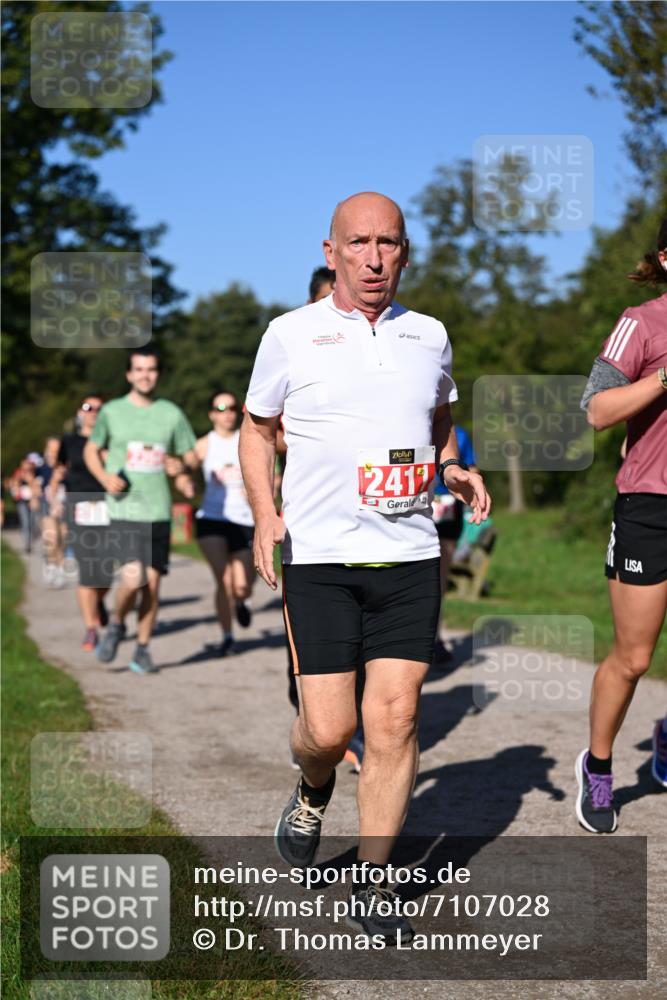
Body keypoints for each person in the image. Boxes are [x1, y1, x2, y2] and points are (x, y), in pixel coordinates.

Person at [240, 191, 490, 943]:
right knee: (327, 727)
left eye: (388, 243)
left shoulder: (430, 335)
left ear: (404, 252)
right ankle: (313, 785)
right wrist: (264, 513)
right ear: (332, 252)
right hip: (319, 556)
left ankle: (377, 880)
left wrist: (449, 467)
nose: (374, 258)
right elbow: (256, 433)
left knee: (395, 718)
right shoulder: (289, 335)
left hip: (409, 555)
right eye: (359, 243)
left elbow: (438, 416)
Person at [576, 217, 667, 833]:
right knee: (634, 659)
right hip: (651, 506)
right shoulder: (643, 321)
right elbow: (598, 410)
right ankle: (600, 768)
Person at [85, 347, 197, 675]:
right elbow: (92, 449)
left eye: (150, 369)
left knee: (153, 585)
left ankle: (142, 649)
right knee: (133, 576)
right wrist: (105, 477)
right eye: (139, 369)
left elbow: (189, 455)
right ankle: (118, 623)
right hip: (123, 509)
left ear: (157, 374)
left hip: (158, 510)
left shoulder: (171, 413)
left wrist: (181, 465)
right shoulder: (112, 412)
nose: (145, 375)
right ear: (129, 375)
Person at [193, 390, 255, 656]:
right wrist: (182, 476)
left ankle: (242, 601)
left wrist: (258, 489)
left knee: (242, 585)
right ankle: (227, 636)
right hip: (212, 518)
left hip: (244, 519)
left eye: (231, 407)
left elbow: (269, 474)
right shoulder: (203, 444)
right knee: (224, 580)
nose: (227, 412)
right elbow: (185, 468)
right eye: (220, 408)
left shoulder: (248, 440)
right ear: (211, 414)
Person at [56, 395, 112, 650]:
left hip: (109, 507)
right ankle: (90, 628)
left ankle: (99, 601)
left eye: (99, 409)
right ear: (80, 412)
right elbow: (59, 469)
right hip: (79, 508)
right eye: (89, 408)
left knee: (106, 572)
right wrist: (53, 493)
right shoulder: (69, 441)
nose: (94, 412)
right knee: (87, 569)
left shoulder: (111, 439)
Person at [432, 424, 478, 662]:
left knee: (439, 575)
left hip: (447, 505)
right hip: (412, 504)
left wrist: (475, 494)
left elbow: (471, 468)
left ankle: (435, 637)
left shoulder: (457, 434)